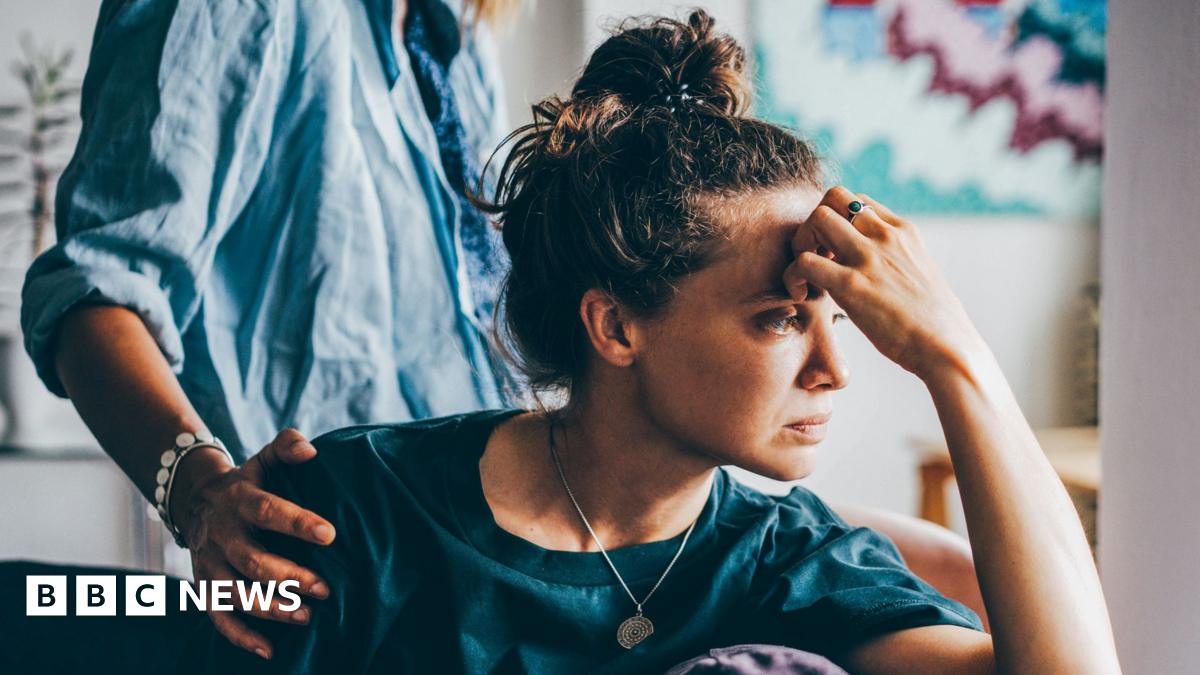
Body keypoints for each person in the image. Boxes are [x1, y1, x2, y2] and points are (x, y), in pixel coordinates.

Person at [16, 0, 980, 663]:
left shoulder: (449, 41)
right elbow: (100, 287)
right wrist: (200, 487)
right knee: (58, 607)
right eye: (779, 319)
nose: (832, 367)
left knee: (940, 565)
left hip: (525, 495)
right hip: (349, 540)